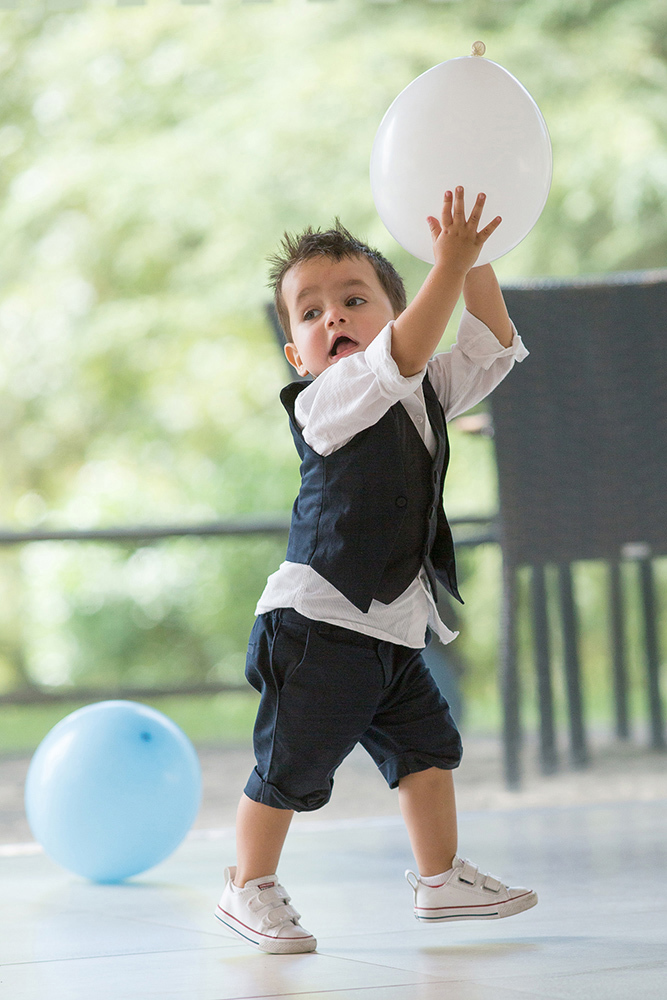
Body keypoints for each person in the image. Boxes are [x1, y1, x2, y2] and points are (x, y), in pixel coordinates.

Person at [214, 187, 537, 954]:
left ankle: (440, 879)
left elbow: (490, 342)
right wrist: (446, 265)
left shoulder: (421, 385)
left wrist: (474, 259)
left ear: (393, 313)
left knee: (426, 748)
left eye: (353, 300)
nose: (333, 319)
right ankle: (247, 884)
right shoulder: (323, 400)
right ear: (296, 352)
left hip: (390, 624)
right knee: (290, 765)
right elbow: (403, 353)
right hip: (317, 626)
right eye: (312, 312)